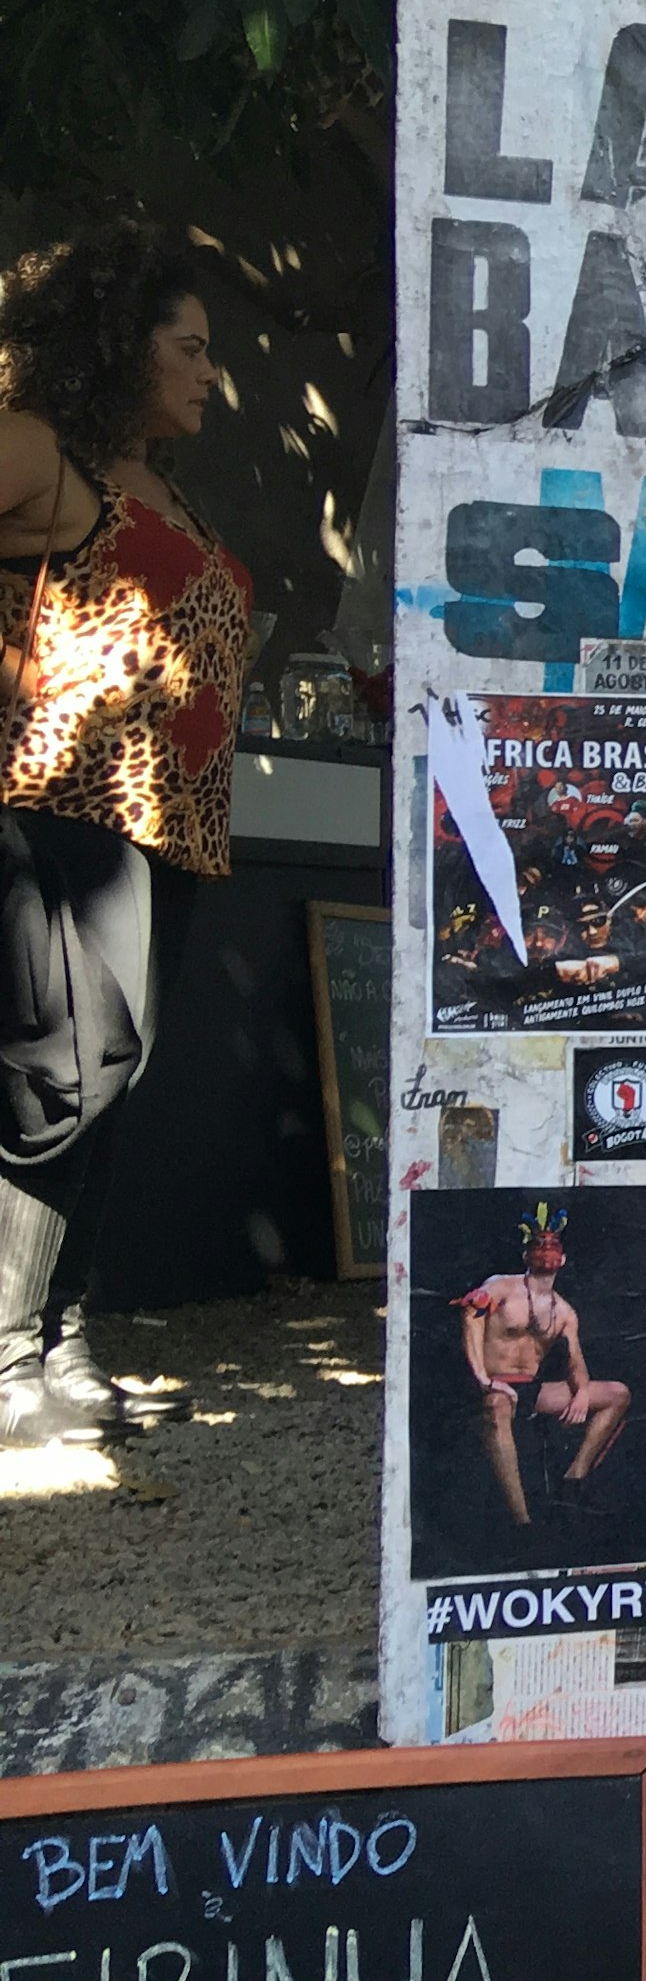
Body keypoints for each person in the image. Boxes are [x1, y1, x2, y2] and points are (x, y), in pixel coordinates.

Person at [0, 225, 254, 1445]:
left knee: (111, 1085)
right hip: (60, 811)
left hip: (172, 828)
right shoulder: (44, 456)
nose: (211, 374)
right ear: (119, 345)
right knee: (58, 1078)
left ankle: (61, 1336)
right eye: (190, 348)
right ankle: (8, 1361)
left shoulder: (170, 490)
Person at [457, 1203, 632, 1526]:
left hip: (531, 1389)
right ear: (526, 1256)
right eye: (539, 1245)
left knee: (617, 1394)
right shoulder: (502, 1286)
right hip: (493, 1384)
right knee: (497, 1407)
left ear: (562, 1259)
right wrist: (483, 1378)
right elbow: (471, 1317)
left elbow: (575, 1359)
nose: (546, 1251)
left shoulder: (564, 1312)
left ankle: (574, 1478)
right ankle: (523, 1522)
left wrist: (580, 1394)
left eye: (553, 1246)